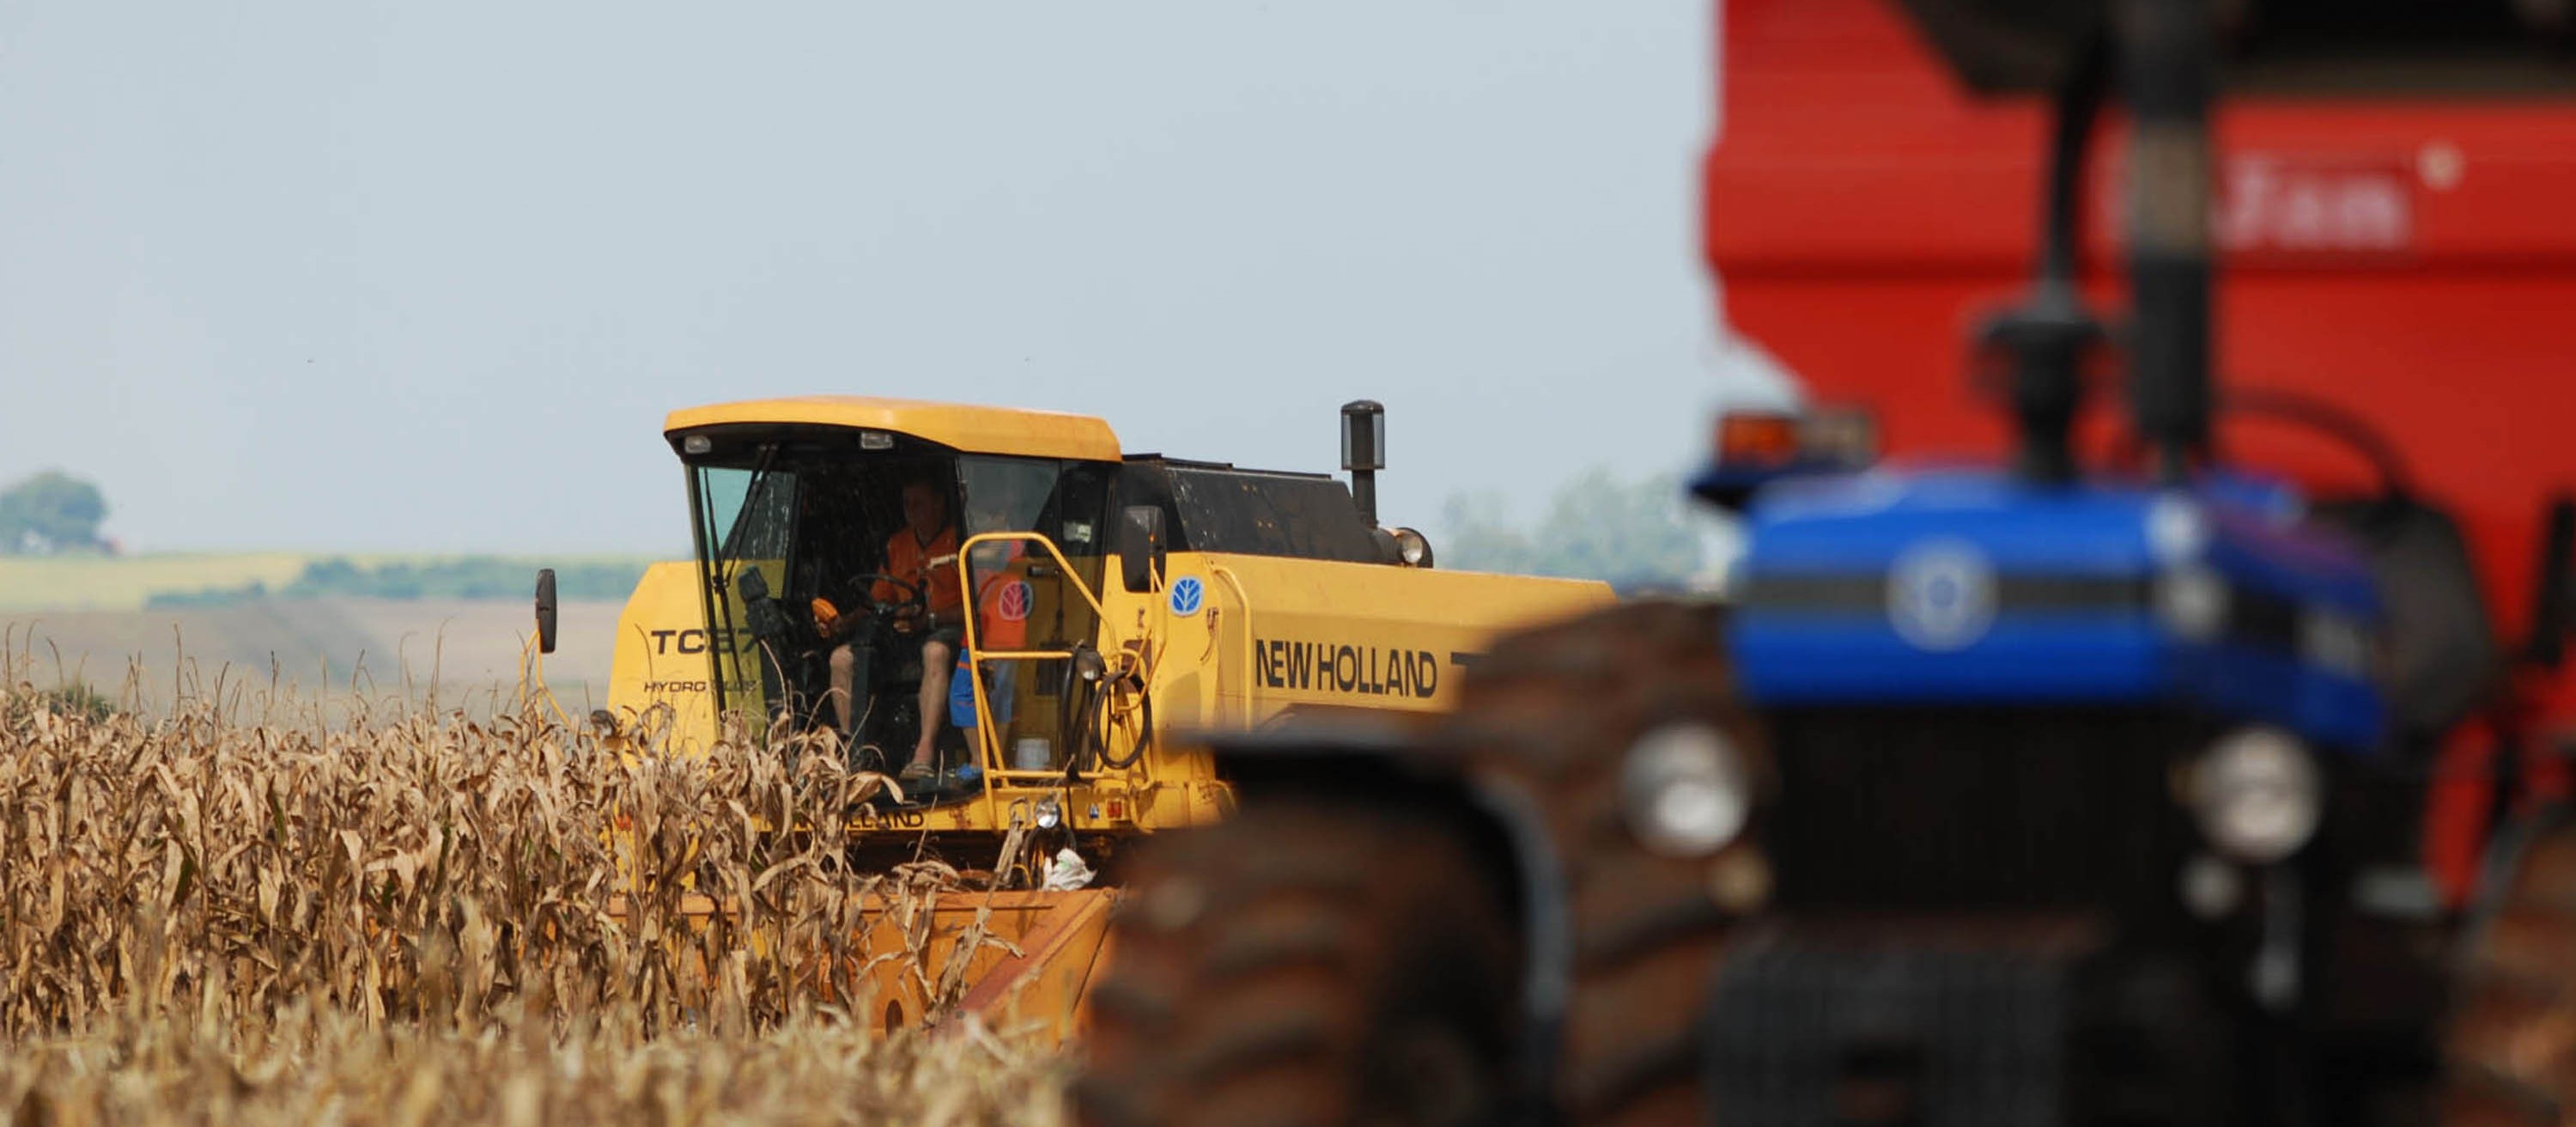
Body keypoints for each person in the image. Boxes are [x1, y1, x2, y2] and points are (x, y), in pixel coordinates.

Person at [827, 477, 963, 782]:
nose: (910, 511)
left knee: (935, 650)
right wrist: (846, 622)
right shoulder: (897, 545)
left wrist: (929, 620)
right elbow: (878, 600)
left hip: (946, 630)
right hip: (903, 634)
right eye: (906, 504)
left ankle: (924, 753)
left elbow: (974, 608)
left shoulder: (961, 541)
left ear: (940, 503)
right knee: (842, 659)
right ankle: (856, 753)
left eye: (918, 503)